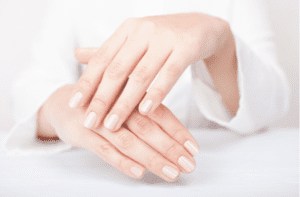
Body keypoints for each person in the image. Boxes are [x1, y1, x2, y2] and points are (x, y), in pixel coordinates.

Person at [4, 0, 289, 182]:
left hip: (220, 177)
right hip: (97, 178)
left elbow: (273, 105)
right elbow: (34, 83)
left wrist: (221, 43)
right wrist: (61, 107)